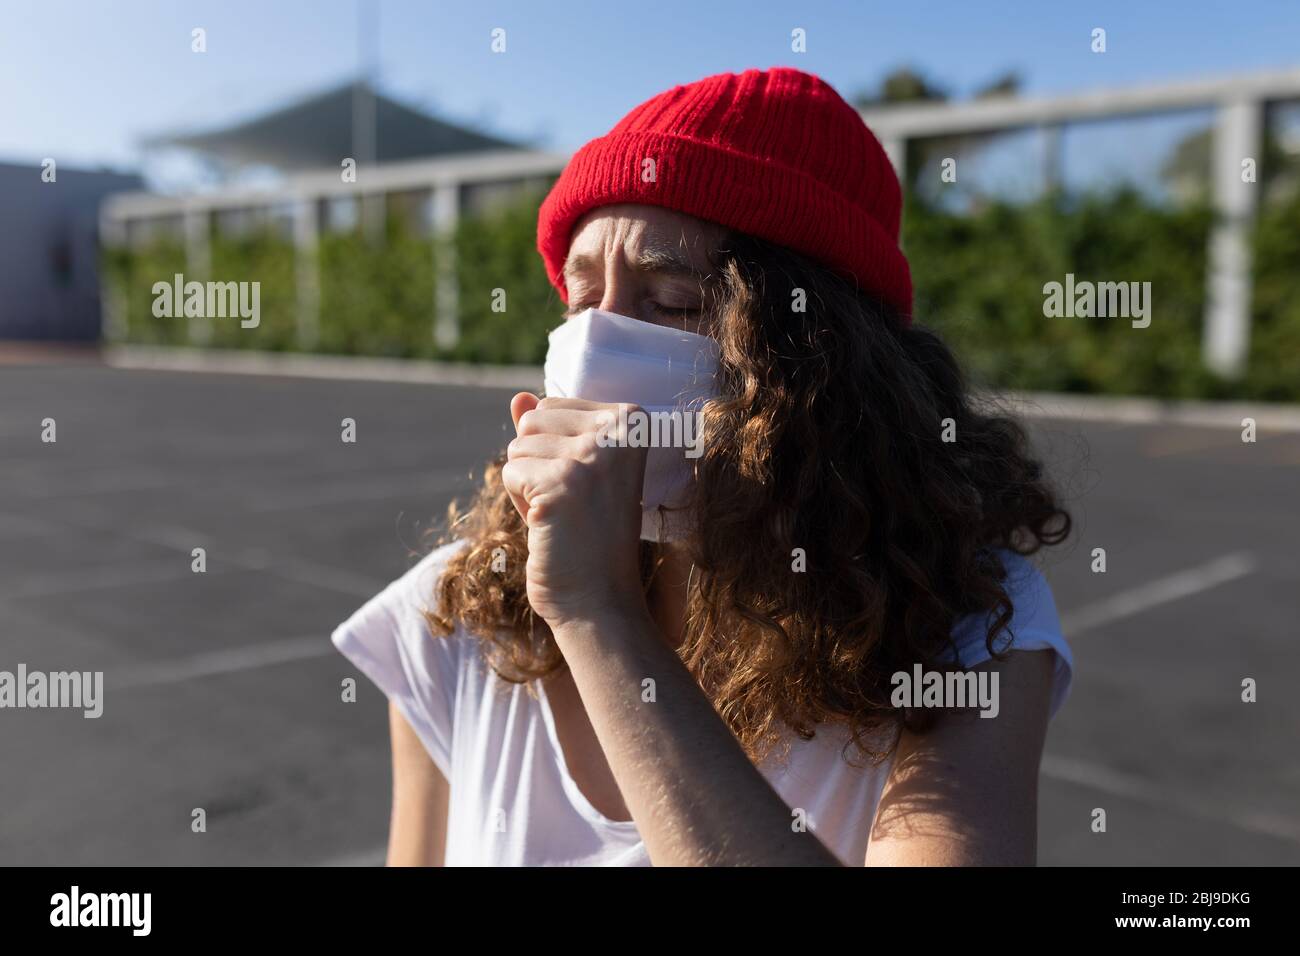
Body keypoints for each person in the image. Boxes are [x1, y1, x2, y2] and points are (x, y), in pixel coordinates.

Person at [332, 66, 1074, 867]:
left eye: (673, 302)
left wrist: (599, 615)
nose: (598, 350)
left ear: (823, 354)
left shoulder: (963, 626)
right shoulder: (458, 615)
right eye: (583, 302)